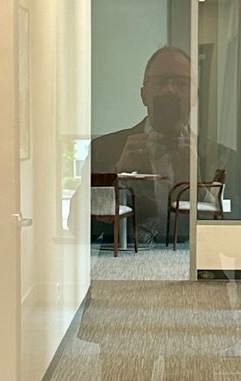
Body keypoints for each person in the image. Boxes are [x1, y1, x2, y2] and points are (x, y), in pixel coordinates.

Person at [88, 44, 232, 246]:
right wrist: (118, 177)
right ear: (143, 94)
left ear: (194, 97)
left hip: (193, 268)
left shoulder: (221, 156)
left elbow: (233, 240)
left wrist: (197, 187)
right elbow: (79, 227)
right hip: (123, 268)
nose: (169, 90)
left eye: (182, 83)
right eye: (160, 81)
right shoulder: (104, 149)